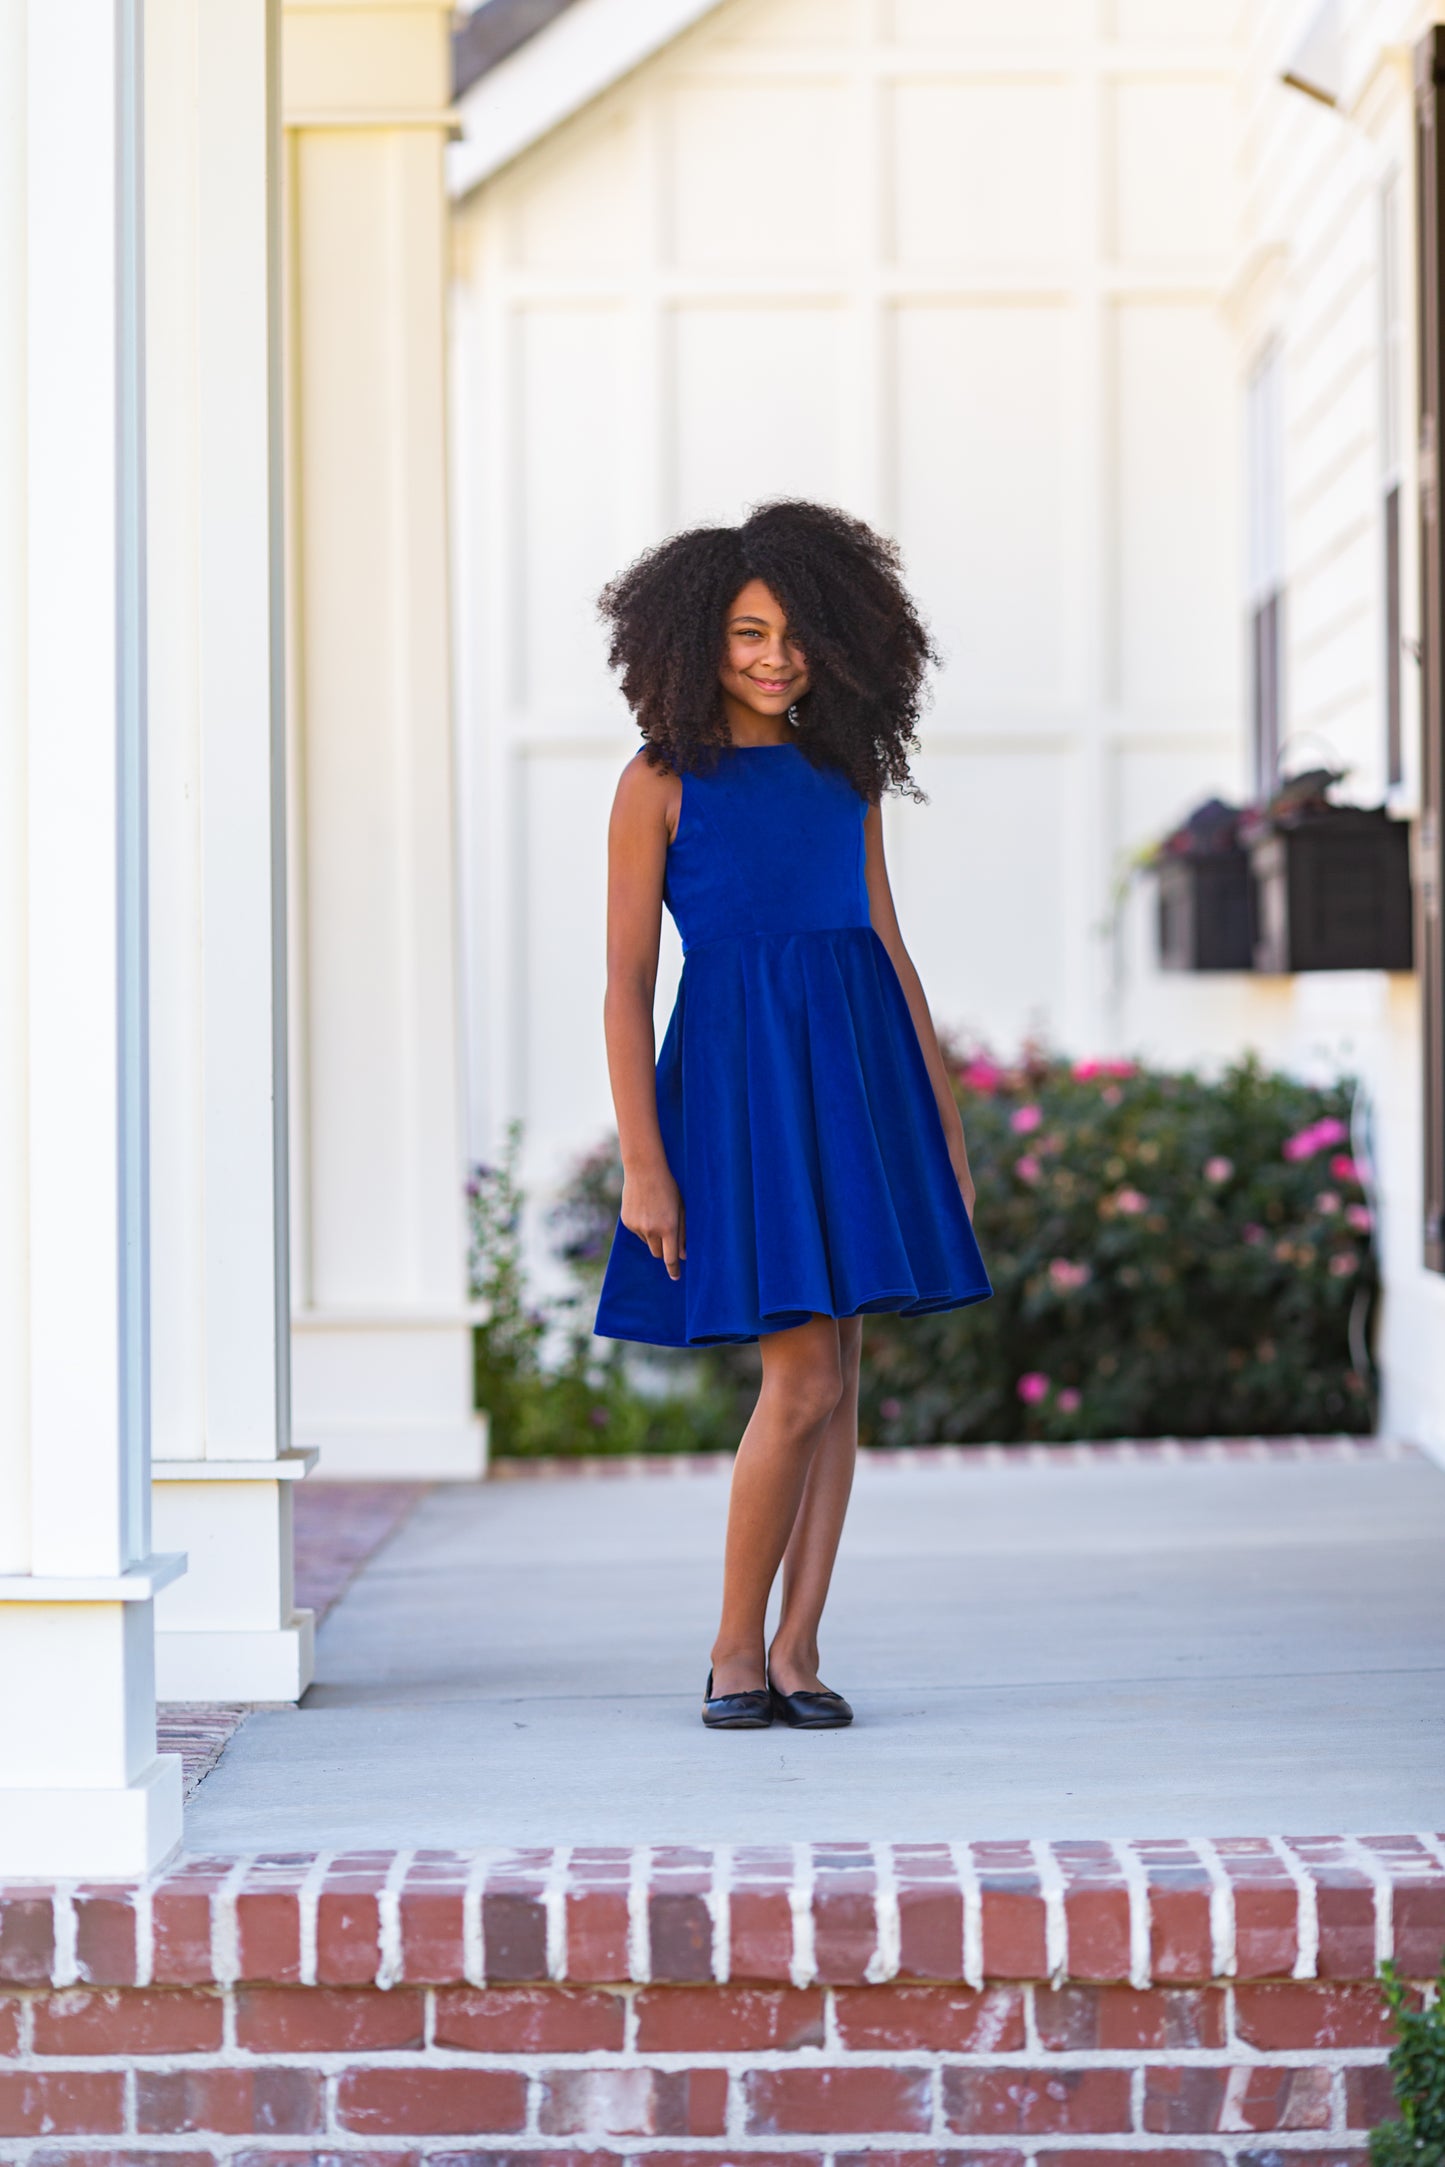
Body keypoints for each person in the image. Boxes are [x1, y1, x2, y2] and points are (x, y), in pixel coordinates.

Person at [595, 499, 991, 1731]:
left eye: (796, 634)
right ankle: (729, 1646)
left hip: (855, 1079)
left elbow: (886, 943)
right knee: (802, 1371)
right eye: (745, 634)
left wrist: (943, 1127)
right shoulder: (657, 783)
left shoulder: (843, 772)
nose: (774, 658)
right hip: (736, 1089)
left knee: (840, 1372)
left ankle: (800, 1644)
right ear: (693, 642)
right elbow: (621, 986)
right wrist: (643, 1165)